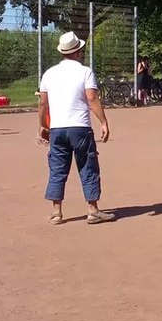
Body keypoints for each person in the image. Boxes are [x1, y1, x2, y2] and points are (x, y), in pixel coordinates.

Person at [39, 31, 113, 226]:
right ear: (78, 51)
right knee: (88, 167)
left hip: (57, 128)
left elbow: (43, 104)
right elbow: (92, 98)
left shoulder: (49, 73)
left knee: (57, 168)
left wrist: (42, 125)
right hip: (80, 127)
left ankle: (57, 213)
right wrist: (103, 122)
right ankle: (92, 210)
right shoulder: (85, 71)